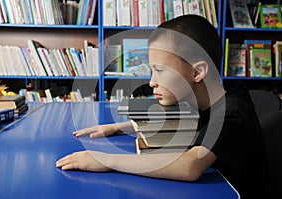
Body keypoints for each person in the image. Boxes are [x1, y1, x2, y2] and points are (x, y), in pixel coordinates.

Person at [56, 15, 268, 199]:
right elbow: (167, 115)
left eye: (159, 70)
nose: (151, 82)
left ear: (197, 72)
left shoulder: (232, 113)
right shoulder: (208, 95)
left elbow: (191, 166)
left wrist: (106, 159)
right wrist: (117, 127)